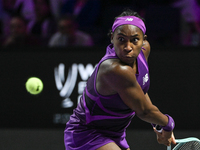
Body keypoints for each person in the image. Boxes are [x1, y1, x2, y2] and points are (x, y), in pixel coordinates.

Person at [64, 9, 176, 150]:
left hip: (115, 134)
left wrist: (158, 125)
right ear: (112, 38)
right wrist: (168, 123)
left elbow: (139, 92)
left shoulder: (144, 51)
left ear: (144, 40)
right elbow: (144, 111)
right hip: (87, 134)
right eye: (121, 39)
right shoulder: (115, 69)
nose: (128, 47)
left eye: (135, 40)